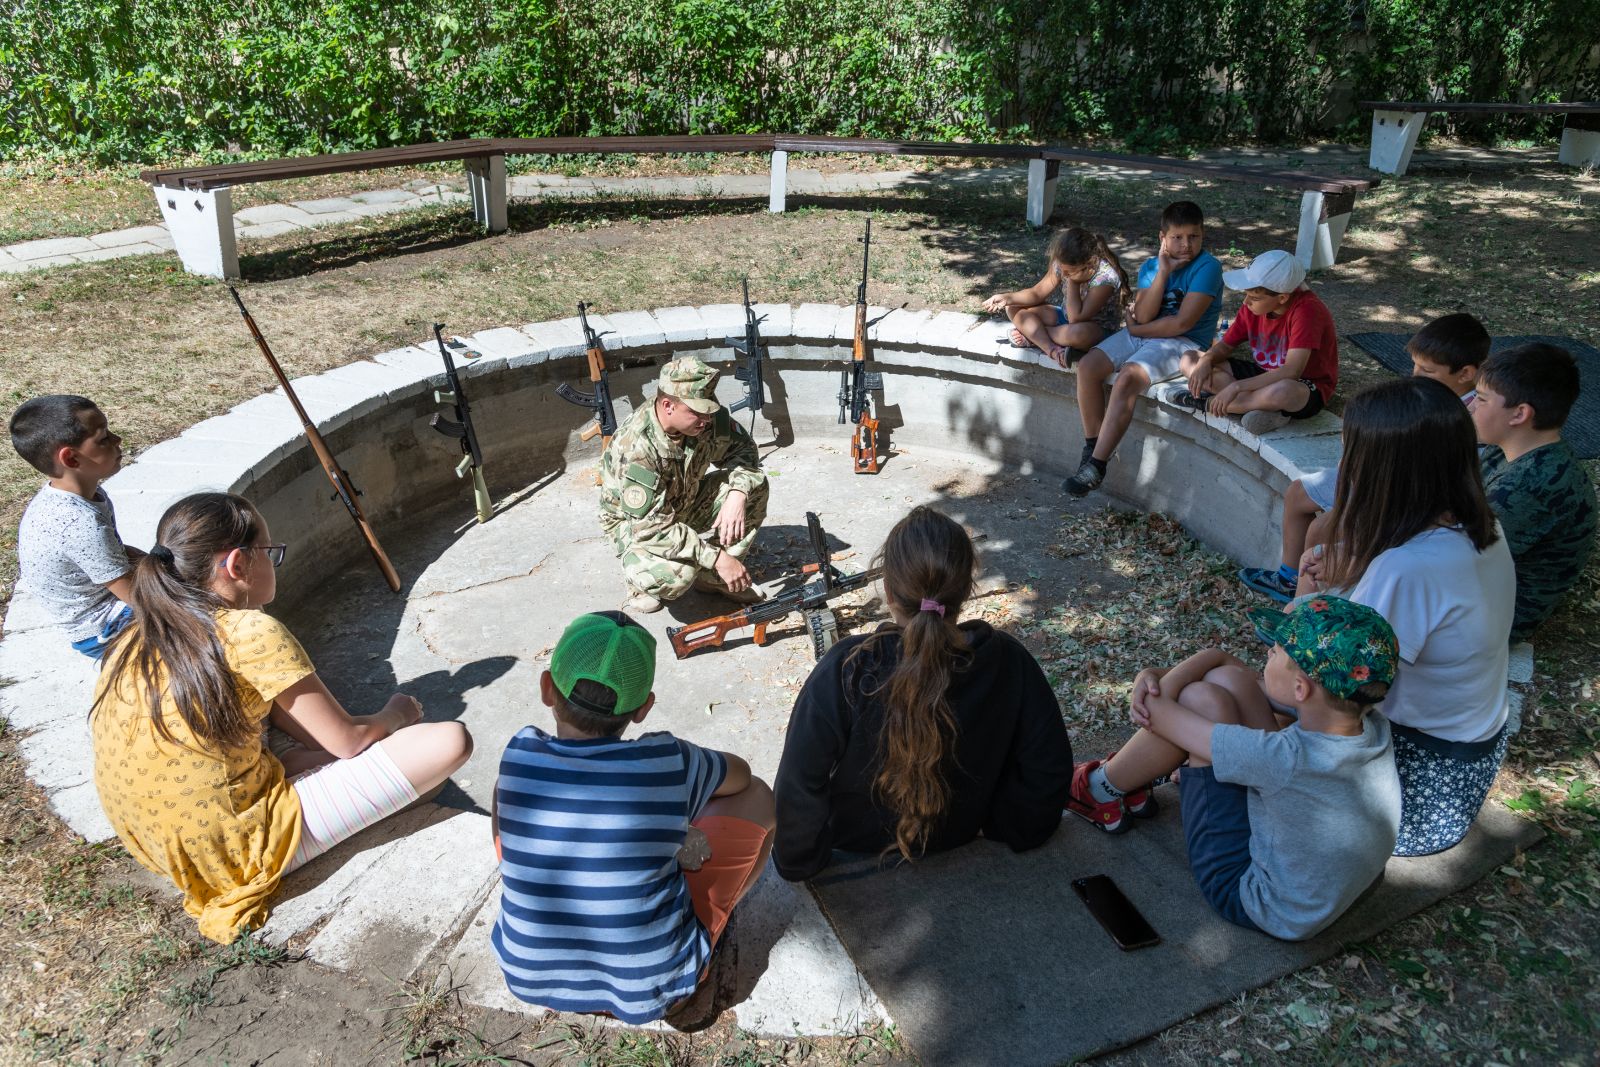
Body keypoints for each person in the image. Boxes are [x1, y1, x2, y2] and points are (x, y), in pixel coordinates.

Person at [90, 492, 471, 943]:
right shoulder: (249, 631)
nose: (276, 561)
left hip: (162, 844)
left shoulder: (139, 630)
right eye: (270, 552)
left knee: (303, 747)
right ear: (237, 565)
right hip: (234, 851)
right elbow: (346, 742)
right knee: (449, 741)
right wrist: (394, 714)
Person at [491, 611, 775, 1025]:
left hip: (528, 977)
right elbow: (742, 777)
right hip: (656, 991)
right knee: (761, 798)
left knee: (507, 791)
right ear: (643, 709)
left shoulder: (519, 751)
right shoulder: (666, 759)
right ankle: (716, 926)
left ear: (547, 689)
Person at [1066, 596, 1400, 941]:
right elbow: (1233, 671)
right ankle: (1120, 782)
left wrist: (1149, 677)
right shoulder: (1371, 723)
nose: (1268, 650)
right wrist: (1205, 664)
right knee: (1228, 679)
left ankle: (1096, 789)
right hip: (1327, 889)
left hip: (1257, 899)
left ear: (1301, 688)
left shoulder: (1281, 757)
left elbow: (1157, 709)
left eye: (1277, 649)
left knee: (1199, 700)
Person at [773, 505, 1074, 881]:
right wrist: (1010, 827)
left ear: (888, 589)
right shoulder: (1008, 660)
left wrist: (798, 862)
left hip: (853, 844)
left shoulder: (847, 668)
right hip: (960, 834)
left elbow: (799, 782)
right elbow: (1049, 768)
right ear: (967, 588)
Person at [1296, 377, 1514, 856]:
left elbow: (1322, 680)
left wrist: (1305, 593)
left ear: (1381, 471)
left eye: (1350, 449)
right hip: (1460, 769)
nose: (1343, 461)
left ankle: (1101, 787)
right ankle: (1103, 785)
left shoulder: (1407, 568)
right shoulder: (1483, 527)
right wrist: (1352, 564)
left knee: (1221, 699)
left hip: (1411, 791)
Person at [1238, 313, 1491, 602]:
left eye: (1428, 370)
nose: (1415, 375)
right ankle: (1289, 578)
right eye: (1415, 365)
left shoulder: (1463, 418)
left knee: (1322, 529)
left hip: (1395, 489)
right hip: (1374, 471)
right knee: (1298, 493)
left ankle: (1308, 608)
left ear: (1466, 374)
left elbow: (1416, 475)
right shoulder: (1425, 395)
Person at [1064, 201, 1224, 496]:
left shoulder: (1208, 267)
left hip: (1181, 343)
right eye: (1177, 237)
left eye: (1194, 237)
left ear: (1203, 236)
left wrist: (1136, 329)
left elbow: (1181, 324)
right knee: (1087, 366)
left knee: (1128, 377)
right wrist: (1163, 273)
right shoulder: (1152, 266)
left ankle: (1097, 464)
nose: (1186, 245)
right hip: (1146, 333)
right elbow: (1147, 314)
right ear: (1162, 237)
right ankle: (1092, 447)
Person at [599, 356, 769, 614]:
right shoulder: (636, 449)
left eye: (709, 410)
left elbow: (745, 453)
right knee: (679, 576)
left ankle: (714, 580)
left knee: (754, 487)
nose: (706, 420)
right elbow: (650, 528)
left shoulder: (705, 421)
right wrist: (717, 557)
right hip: (636, 525)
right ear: (668, 405)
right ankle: (637, 575)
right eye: (697, 412)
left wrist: (737, 493)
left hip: (683, 502)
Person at [1472, 342, 1597, 642]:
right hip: (1484, 579)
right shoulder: (1510, 449)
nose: (1471, 406)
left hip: (1499, 614)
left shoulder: (1532, 485)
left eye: (1481, 399)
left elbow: (1462, 559)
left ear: (1519, 414)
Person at [10, 395, 142, 659]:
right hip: (102, 629)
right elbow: (131, 595)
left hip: (106, 604)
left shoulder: (85, 496)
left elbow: (113, 553)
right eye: (104, 438)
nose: (118, 440)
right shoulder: (77, 523)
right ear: (71, 458)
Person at [1165, 249, 1337, 436]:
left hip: (1302, 385)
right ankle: (1261, 408)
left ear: (1282, 297)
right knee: (1190, 359)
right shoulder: (1252, 306)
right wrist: (1206, 360)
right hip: (1264, 375)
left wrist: (1235, 387)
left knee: (1283, 391)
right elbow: (1225, 346)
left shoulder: (1307, 312)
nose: (1246, 302)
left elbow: (1291, 371)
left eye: (1254, 298)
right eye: (1246, 295)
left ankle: (1208, 403)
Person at [981, 227, 1130, 364]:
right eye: (1062, 270)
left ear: (1088, 264)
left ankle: (1034, 336)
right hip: (1064, 320)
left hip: (1095, 330)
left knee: (1077, 333)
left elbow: (1076, 318)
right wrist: (1007, 297)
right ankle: (1050, 347)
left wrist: (1073, 282)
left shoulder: (1105, 279)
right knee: (1012, 307)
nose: (1063, 274)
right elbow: (1037, 293)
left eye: (1069, 272)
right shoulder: (1064, 264)